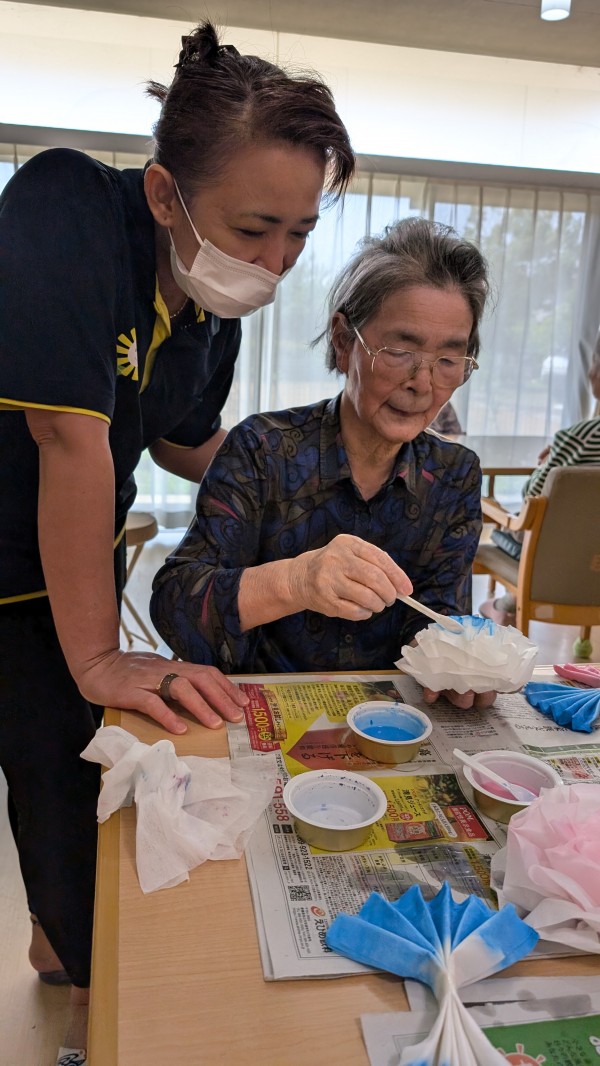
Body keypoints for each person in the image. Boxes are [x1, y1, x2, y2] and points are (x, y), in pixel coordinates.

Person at [0, 19, 354, 1052]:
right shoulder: (65, 205)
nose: (275, 263)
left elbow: (190, 440)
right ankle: (93, 988)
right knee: (63, 766)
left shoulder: (208, 311)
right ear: (165, 194)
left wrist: (327, 467)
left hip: (56, 564)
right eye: (255, 229)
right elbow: (70, 440)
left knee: (78, 773)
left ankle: (61, 947)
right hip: (17, 553)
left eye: (299, 235)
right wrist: (99, 654)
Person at [151, 217, 494, 711]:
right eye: (400, 350)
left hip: (388, 722)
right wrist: (295, 581)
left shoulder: (453, 475)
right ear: (343, 339)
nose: (423, 383)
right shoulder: (262, 450)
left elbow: (436, 616)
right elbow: (175, 604)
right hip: (256, 712)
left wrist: (457, 664)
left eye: (448, 360)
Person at [479, 344, 600, 628]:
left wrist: (547, 463)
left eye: (595, 362)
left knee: (508, 527)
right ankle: (505, 606)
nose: (590, 372)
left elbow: (534, 497)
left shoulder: (581, 436)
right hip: (592, 563)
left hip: (553, 561)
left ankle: (501, 607)